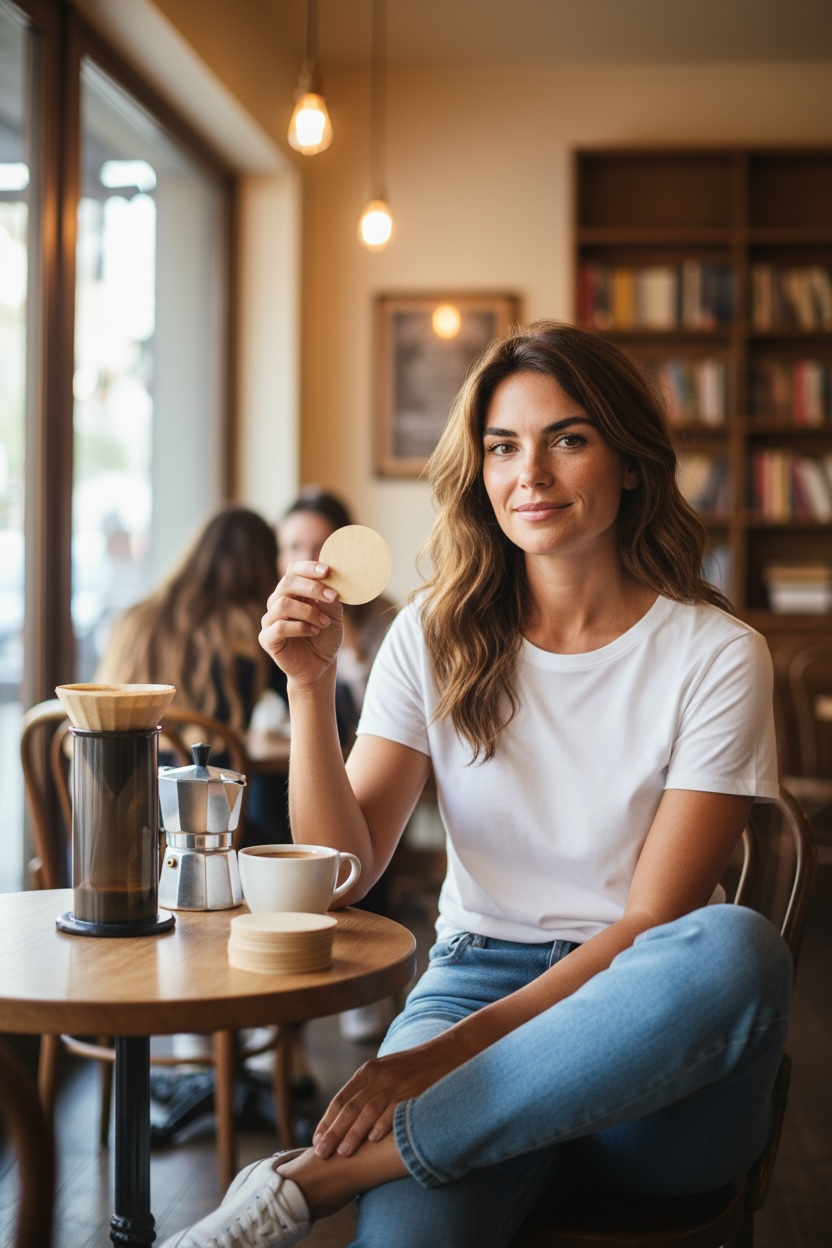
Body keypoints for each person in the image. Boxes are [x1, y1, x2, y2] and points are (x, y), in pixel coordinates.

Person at [161, 321, 790, 1248]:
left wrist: (445, 1059)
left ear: (628, 463)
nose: (528, 473)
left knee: (736, 948)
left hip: (646, 1040)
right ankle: (424, 1147)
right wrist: (305, 685)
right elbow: (345, 870)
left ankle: (310, 1186)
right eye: (504, 446)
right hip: (472, 978)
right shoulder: (430, 635)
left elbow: (651, 926)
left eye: (567, 438)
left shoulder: (719, 655)